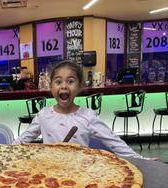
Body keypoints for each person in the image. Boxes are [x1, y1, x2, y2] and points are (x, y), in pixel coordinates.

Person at [14, 60, 147, 159]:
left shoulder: (88, 116)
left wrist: (141, 160)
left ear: (79, 86)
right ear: (51, 87)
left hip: (81, 173)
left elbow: (113, 141)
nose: (64, 86)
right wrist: (3, 150)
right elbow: (23, 140)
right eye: (58, 82)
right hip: (50, 173)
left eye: (71, 81)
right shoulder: (44, 115)